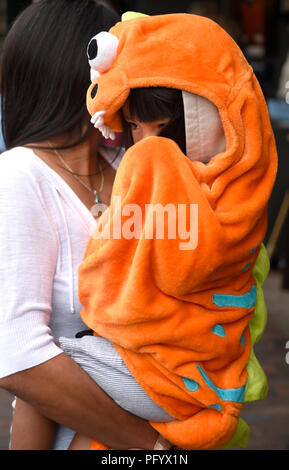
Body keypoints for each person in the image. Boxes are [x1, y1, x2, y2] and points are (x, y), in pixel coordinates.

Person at [55, 12, 278, 450]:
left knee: (35, 373)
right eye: (135, 126)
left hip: (167, 377)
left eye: (165, 127)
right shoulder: (237, 189)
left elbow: (115, 285)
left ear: (205, 119)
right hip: (212, 381)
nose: (145, 141)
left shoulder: (151, 163)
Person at [0, 0, 165, 451]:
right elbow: (17, 356)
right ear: (82, 75)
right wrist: (148, 447)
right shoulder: (19, 177)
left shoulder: (134, 164)